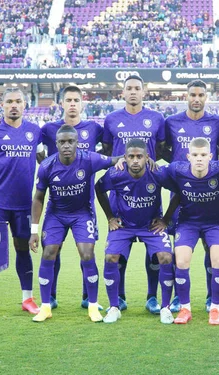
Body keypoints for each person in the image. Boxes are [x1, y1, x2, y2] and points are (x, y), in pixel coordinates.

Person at [28, 124, 122, 323]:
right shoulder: (47, 166)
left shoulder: (89, 159)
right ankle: (45, 307)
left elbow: (114, 160)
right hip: (56, 214)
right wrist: (34, 230)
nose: (66, 146)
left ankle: (93, 306)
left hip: (82, 214)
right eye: (62, 142)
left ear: (77, 143)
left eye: (71, 142)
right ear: (56, 144)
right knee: (49, 252)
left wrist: (137, 158)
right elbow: (38, 198)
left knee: (87, 254)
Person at [0, 88, 45, 317]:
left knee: (23, 251)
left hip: (24, 205)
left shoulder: (35, 132)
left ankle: (28, 299)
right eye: (9, 101)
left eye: (18, 101)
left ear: (25, 105)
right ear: (1, 104)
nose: (14, 105)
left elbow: (44, 161)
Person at [164, 79, 219, 312]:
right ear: (186, 96)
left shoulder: (216, 122)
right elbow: (163, 148)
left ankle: (211, 297)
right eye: (192, 94)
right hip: (181, 189)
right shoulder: (171, 122)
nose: (196, 98)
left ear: (206, 97)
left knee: (211, 249)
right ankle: (177, 297)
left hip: (209, 188)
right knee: (178, 248)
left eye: (201, 95)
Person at [102, 75, 166, 314]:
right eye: (128, 88)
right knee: (118, 250)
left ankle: (152, 297)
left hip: (149, 192)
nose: (132, 92)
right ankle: (119, 297)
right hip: (121, 195)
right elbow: (108, 151)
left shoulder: (156, 118)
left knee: (154, 250)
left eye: (137, 88)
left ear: (144, 91)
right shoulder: (111, 119)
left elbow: (159, 150)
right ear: (122, 92)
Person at [156, 137, 219, 325]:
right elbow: (152, 170)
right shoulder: (177, 169)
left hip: (214, 222)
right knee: (182, 260)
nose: (199, 159)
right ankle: (185, 308)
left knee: (218, 260)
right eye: (195, 155)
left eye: (203, 155)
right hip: (188, 223)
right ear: (188, 157)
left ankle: (215, 309)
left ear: (210, 156)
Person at [95, 139, 174, 324]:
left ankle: (165, 308)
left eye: (140, 156)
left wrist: (165, 220)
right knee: (111, 257)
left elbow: (178, 191)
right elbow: (98, 189)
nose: (136, 160)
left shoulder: (157, 173)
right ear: (125, 158)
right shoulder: (116, 173)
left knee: (166, 257)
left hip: (150, 225)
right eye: (131, 157)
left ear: (147, 157)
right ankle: (114, 306)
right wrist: (110, 218)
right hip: (124, 225)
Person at [41, 85, 104, 310]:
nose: (72, 104)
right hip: (56, 204)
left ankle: (88, 297)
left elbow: (106, 151)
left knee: (86, 251)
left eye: (76, 100)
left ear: (82, 103)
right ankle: (51, 295)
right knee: (51, 249)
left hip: (85, 204)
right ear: (61, 103)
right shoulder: (49, 129)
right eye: (68, 100)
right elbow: (38, 153)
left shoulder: (93, 128)